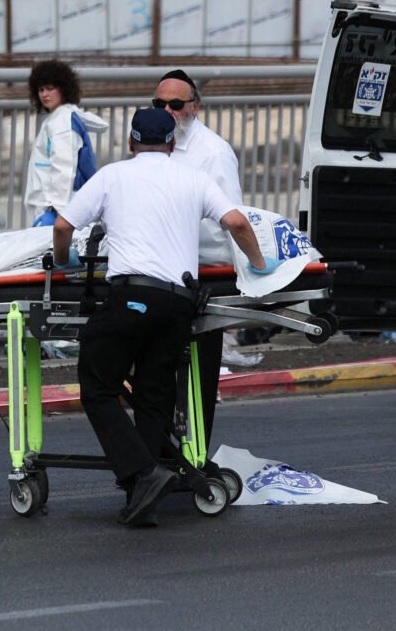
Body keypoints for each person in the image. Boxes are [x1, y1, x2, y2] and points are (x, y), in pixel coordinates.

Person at [53, 108, 278, 527]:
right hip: (177, 304)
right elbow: (237, 222)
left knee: (98, 387)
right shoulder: (193, 178)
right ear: (173, 145)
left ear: (130, 143)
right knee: (153, 396)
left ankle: (142, 472)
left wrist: (62, 263)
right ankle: (142, 493)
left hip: (131, 297)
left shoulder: (112, 176)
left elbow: (64, 225)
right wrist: (261, 267)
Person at [153, 69, 242, 450]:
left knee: (198, 375)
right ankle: (160, 453)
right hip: (161, 271)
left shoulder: (212, 153)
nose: (168, 111)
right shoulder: (153, 148)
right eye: (160, 104)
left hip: (202, 272)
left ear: (194, 107)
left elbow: (233, 220)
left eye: (176, 104)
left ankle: (195, 454)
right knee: (158, 370)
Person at [22, 59, 108, 226]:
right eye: (40, 89)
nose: (44, 94)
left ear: (63, 88)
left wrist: (56, 212)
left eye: (50, 88)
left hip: (55, 211)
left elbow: (64, 168)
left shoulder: (61, 122)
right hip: (59, 209)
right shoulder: (64, 117)